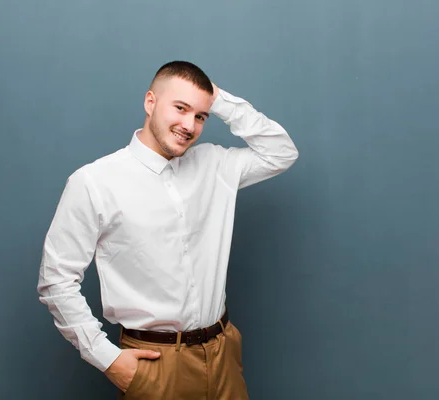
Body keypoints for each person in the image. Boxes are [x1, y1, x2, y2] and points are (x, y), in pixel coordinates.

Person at [37, 60, 299, 399]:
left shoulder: (214, 164)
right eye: (180, 108)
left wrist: (216, 99)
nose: (189, 125)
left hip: (222, 353)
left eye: (200, 116)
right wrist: (105, 358)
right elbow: (56, 280)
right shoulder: (94, 182)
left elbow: (282, 152)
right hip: (155, 364)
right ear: (150, 102)